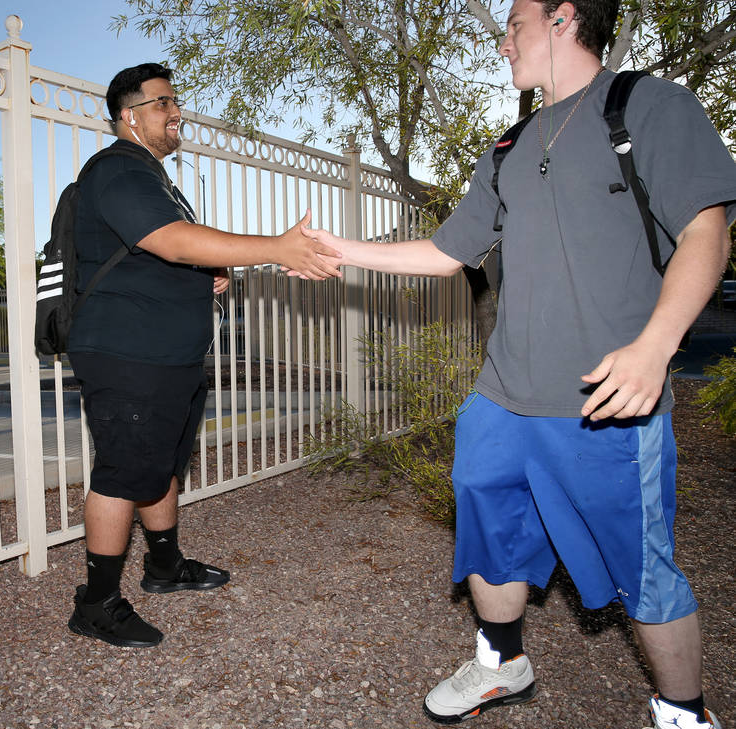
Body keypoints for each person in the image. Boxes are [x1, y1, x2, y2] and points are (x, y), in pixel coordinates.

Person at [301, 0, 736, 725]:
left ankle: (684, 712)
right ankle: (502, 663)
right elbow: (446, 252)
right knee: (488, 535)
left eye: (513, 26)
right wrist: (337, 251)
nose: (503, 44)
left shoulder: (648, 107)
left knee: (645, 572)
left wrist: (655, 346)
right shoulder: (507, 146)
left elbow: (706, 231)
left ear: (563, 17)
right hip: (501, 398)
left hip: (606, 402)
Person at [65, 62, 341, 648]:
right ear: (127, 116)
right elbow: (169, 240)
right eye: (162, 103)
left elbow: (178, 252)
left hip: (167, 354)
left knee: (160, 462)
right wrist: (276, 247)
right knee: (122, 472)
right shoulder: (116, 170)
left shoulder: (154, 179)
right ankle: (96, 603)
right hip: (127, 352)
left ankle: (164, 567)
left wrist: (212, 271)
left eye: (174, 102)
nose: (175, 113)